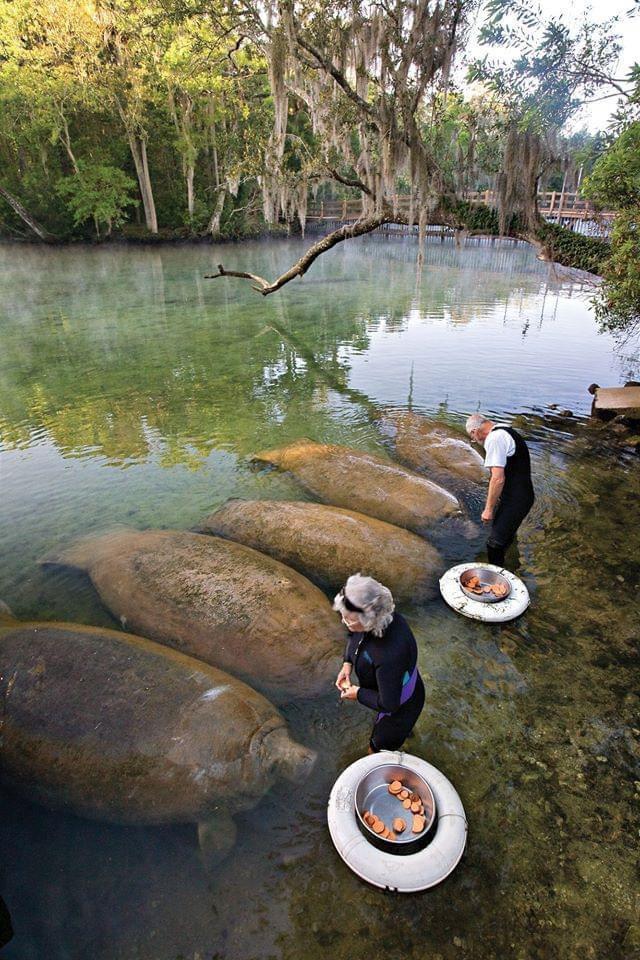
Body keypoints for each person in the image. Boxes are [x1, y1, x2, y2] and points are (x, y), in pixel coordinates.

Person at [334, 573, 425, 754]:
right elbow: (355, 636)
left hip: (400, 705)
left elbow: (389, 704)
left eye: (348, 620)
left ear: (368, 620)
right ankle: (406, 733)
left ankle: (399, 737)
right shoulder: (379, 619)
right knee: (401, 731)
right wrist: (347, 663)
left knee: (377, 747)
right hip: (395, 687)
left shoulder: (388, 654)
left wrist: (357, 693)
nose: (344, 622)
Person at [465, 413, 535, 567]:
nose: (475, 441)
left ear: (474, 432)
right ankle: (512, 563)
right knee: (506, 534)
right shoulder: (505, 429)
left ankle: (496, 579)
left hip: (516, 499)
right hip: (521, 495)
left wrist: (488, 509)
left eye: (473, 438)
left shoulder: (495, 439)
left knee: (494, 544)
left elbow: (497, 478)